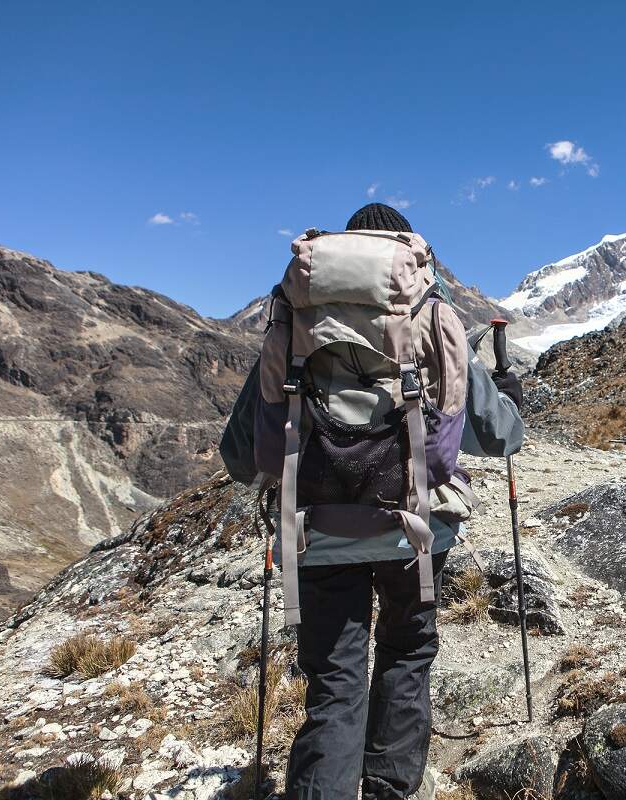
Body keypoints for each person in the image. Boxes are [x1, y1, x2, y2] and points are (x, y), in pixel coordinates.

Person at [223, 203, 524, 800]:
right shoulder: (432, 316)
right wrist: (508, 394)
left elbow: (240, 455)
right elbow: (500, 435)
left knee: (334, 677)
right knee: (407, 652)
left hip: (315, 525)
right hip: (416, 526)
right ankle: (389, 787)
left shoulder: (297, 324)